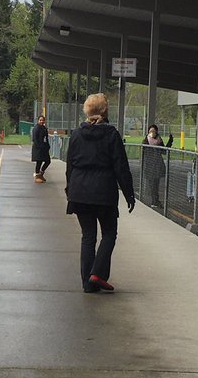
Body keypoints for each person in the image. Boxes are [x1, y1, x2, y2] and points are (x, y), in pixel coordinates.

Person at [65, 94, 135, 293]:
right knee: (109, 233)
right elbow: (121, 166)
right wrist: (129, 193)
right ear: (104, 111)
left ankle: (88, 283)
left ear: (87, 111)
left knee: (88, 236)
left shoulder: (77, 134)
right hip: (103, 192)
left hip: (79, 191)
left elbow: (70, 165)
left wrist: (70, 189)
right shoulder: (111, 134)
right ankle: (97, 273)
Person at [141, 123, 167, 206]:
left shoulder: (159, 140)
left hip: (157, 166)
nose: (152, 133)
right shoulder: (146, 140)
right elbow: (144, 150)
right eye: (150, 131)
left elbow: (164, 151)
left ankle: (156, 200)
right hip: (149, 166)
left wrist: (168, 142)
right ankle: (154, 201)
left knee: (156, 184)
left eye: (153, 131)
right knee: (152, 184)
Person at [31, 114, 51, 183]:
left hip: (44, 148)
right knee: (39, 162)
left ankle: (41, 174)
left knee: (48, 161)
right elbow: (34, 139)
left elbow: (46, 138)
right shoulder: (36, 128)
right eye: (40, 120)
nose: (41, 121)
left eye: (43, 120)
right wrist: (39, 147)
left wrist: (48, 146)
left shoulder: (44, 128)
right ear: (38, 121)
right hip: (38, 148)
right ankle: (37, 176)